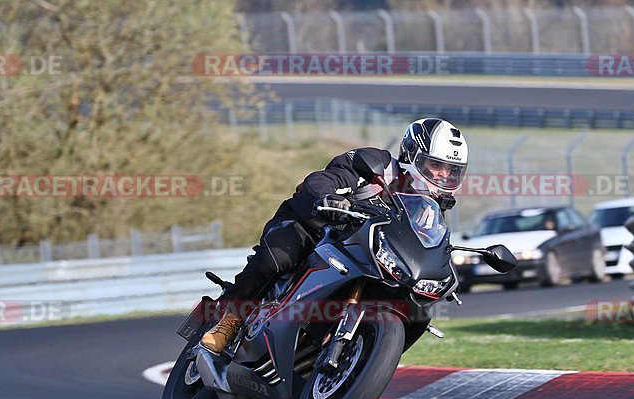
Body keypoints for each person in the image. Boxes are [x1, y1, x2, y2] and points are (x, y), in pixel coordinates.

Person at [200, 118, 469, 353]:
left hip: (362, 255)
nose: (443, 176)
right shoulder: (379, 166)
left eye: (451, 171)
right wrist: (329, 199)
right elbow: (326, 179)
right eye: (435, 165)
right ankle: (229, 321)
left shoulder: (430, 212)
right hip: (315, 225)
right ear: (412, 155)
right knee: (277, 258)